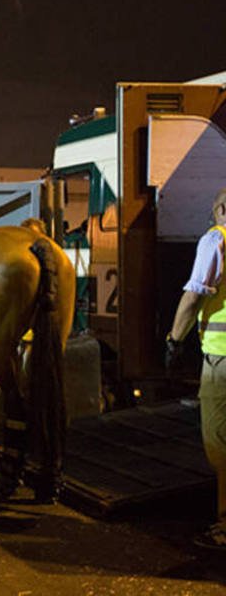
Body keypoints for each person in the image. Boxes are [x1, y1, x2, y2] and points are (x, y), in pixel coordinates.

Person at [165, 187, 226, 551]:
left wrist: (175, 338)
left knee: (220, 443)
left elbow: (193, 296)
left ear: (222, 208)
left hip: (222, 359)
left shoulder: (216, 240)